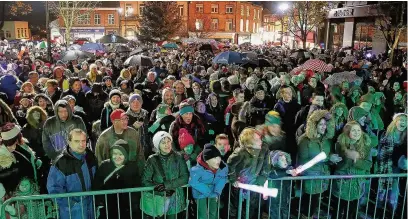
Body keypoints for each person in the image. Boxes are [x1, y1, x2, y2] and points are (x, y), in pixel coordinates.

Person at [297, 110, 341, 218]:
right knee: (309, 203)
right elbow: (303, 161)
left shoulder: (327, 139)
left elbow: (328, 153)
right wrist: (327, 159)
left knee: (316, 202)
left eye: (325, 124)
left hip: (323, 175)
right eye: (321, 124)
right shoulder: (304, 140)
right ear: (314, 125)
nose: (324, 127)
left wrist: (333, 158)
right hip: (310, 176)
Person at [47, 129, 97, 219]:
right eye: (77, 141)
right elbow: (54, 188)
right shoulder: (61, 163)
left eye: (83, 141)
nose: (81, 144)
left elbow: (97, 179)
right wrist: (72, 204)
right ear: (69, 142)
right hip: (71, 212)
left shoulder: (90, 156)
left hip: (90, 207)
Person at [141, 131, 188, 219]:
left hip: (175, 200)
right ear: (157, 145)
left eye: (168, 141)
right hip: (158, 200)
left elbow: (185, 177)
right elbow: (145, 181)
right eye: (163, 142)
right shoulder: (152, 160)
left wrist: (166, 185)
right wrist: (160, 190)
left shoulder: (179, 157)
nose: (167, 145)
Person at [332, 121, 373, 219]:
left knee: (352, 212)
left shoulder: (366, 145)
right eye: (353, 130)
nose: (357, 133)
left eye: (358, 130)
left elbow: (368, 165)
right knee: (337, 211)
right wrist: (345, 157)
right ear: (347, 132)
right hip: (341, 184)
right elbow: (337, 166)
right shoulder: (339, 144)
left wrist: (356, 160)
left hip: (357, 184)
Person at [227, 128, 271, 218]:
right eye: (257, 139)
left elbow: (267, 165)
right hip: (240, 187)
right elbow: (230, 164)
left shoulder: (264, 149)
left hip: (254, 185)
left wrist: (263, 177)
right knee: (235, 208)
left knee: (251, 209)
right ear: (249, 142)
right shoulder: (241, 152)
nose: (260, 140)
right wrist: (233, 178)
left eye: (260, 138)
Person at [93, 139, 142, 219]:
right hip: (108, 209)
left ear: (126, 155)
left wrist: (133, 204)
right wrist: (100, 203)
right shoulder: (105, 166)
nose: (117, 157)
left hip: (127, 209)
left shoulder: (132, 167)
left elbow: (137, 187)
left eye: (121, 154)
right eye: (114, 153)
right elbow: (97, 185)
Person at [189, 143, 228, 219]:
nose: (218, 160)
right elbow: (193, 182)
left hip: (213, 192)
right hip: (200, 193)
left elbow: (222, 178)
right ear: (207, 161)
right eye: (214, 158)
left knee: (213, 214)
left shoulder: (222, 167)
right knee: (202, 215)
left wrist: (217, 191)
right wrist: (207, 191)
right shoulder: (197, 169)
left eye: (218, 157)